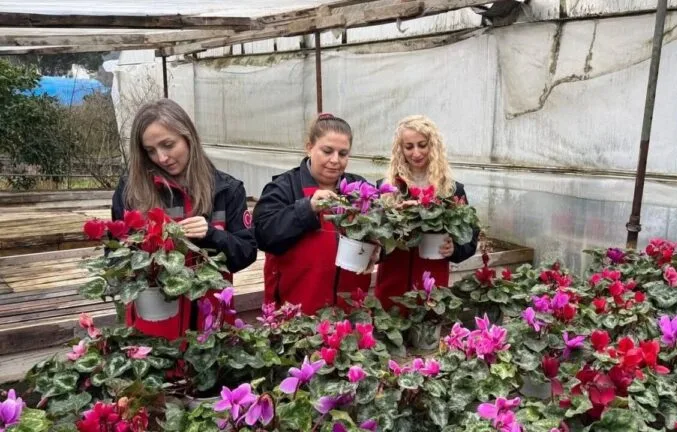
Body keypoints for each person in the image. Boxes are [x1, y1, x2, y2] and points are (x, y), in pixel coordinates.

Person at [111, 98, 258, 340]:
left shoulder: (226, 190)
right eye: (150, 150)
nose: (161, 157)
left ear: (188, 136)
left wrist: (212, 235)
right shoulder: (131, 191)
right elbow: (114, 257)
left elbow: (246, 253)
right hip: (151, 326)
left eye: (168, 145)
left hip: (210, 327)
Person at [254, 113, 375, 314]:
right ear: (309, 147)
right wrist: (307, 208)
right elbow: (263, 235)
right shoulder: (283, 187)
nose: (335, 160)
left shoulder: (359, 189)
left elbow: (382, 232)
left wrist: (379, 250)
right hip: (296, 312)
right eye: (327, 151)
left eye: (343, 154)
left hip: (350, 312)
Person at [375, 115, 478, 310]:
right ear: (400, 149)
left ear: (433, 146)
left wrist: (455, 249)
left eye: (422, 145)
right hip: (393, 280)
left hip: (432, 282)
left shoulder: (450, 190)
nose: (416, 153)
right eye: (409, 146)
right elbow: (374, 238)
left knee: (427, 334)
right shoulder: (387, 188)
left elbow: (470, 236)